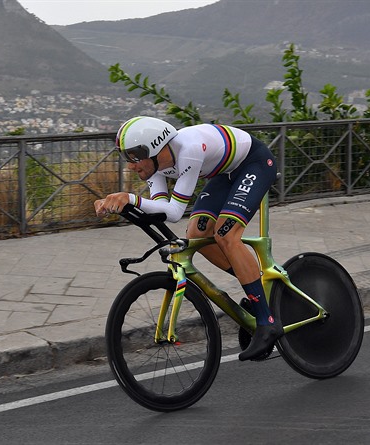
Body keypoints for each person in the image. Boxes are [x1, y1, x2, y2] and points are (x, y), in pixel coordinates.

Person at [95, 116, 282, 361]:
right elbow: (160, 207)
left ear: (154, 148)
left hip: (255, 163)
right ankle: (258, 289)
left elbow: (173, 213)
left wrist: (129, 199)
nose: (130, 165)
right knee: (197, 234)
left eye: (133, 156)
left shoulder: (189, 151)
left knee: (226, 234)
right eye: (126, 158)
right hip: (225, 173)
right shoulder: (156, 165)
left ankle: (267, 322)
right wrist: (118, 206)